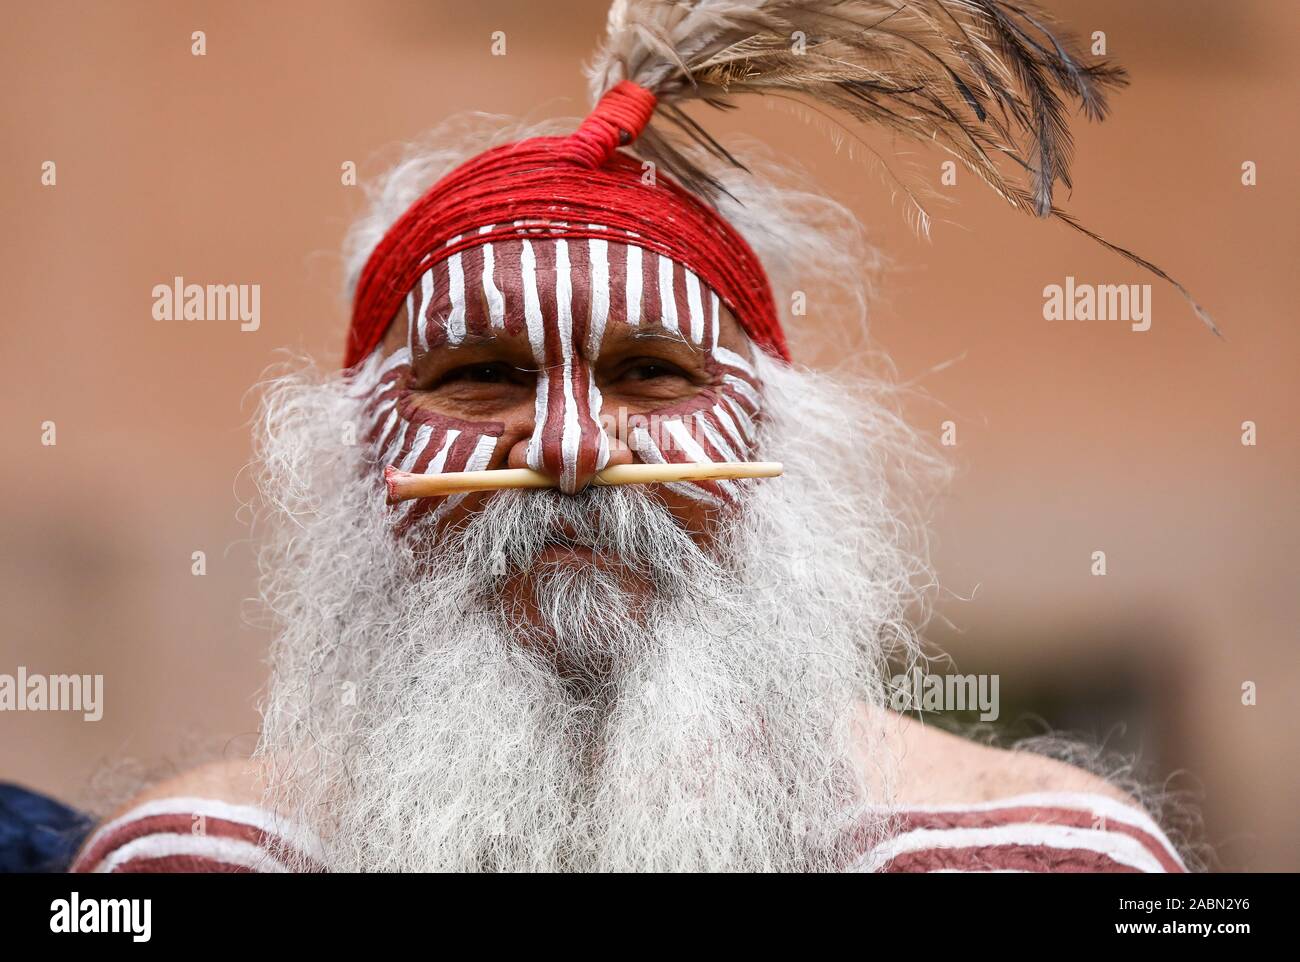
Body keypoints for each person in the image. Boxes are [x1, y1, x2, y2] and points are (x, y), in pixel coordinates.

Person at [70, 0, 1195, 873]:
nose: (566, 449)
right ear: (358, 450)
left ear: (779, 435)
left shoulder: (1050, 854)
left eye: (648, 371)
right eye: (481, 375)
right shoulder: (192, 858)